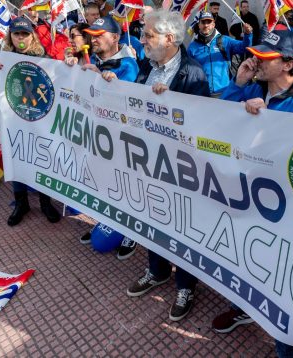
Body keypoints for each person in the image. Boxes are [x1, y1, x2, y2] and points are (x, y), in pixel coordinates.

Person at [212, 29, 293, 343]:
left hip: (286, 206)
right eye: (257, 54)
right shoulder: (251, 87)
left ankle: (286, 327)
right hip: (244, 194)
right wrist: (238, 84)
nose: (256, 60)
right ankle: (242, 306)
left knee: (279, 264)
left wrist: (266, 124)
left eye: (266, 57)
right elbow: (218, 121)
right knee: (244, 253)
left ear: (289, 64)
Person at [127, 9, 210, 322]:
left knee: (183, 226)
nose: (143, 40)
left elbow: (199, 124)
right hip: (147, 161)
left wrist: (170, 102)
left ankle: (185, 285)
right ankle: (157, 270)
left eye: (149, 35)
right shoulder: (144, 65)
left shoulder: (194, 74)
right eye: (144, 34)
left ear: (170, 38)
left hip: (179, 167)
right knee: (153, 217)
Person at [71, 17, 139, 257]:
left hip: (123, 140)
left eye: (100, 34)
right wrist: (72, 67)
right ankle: (105, 222)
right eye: (92, 34)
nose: (94, 38)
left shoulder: (128, 63)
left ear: (115, 38)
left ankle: (132, 233)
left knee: (127, 187)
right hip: (99, 137)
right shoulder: (94, 59)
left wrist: (99, 75)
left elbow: (125, 99)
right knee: (103, 183)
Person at [0, 17, 62, 227]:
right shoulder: (2, 58)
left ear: (32, 36)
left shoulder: (43, 58)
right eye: (17, 34)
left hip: (37, 120)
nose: (21, 38)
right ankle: (22, 203)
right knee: (15, 160)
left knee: (41, 160)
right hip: (12, 121)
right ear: (10, 36)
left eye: (25, 34)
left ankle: (45, 202)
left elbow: (56, 84)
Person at [187, 11, 252, 96]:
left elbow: (245, 47)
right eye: (203, 22)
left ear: (213, 24)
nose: (206, 25)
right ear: (199, 25)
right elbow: (188, 72)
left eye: (209, 22)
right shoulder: (192, 47)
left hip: (224, 92)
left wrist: (248, 34)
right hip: (202, 94)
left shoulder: (225, 40)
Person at [81, 16, 139, 82]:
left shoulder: (129, 65)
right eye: (92, 36)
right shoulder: (94, 58)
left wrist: (100, 77)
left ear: (115, 37)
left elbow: (127, 91)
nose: (92, 40)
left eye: (98, 35)